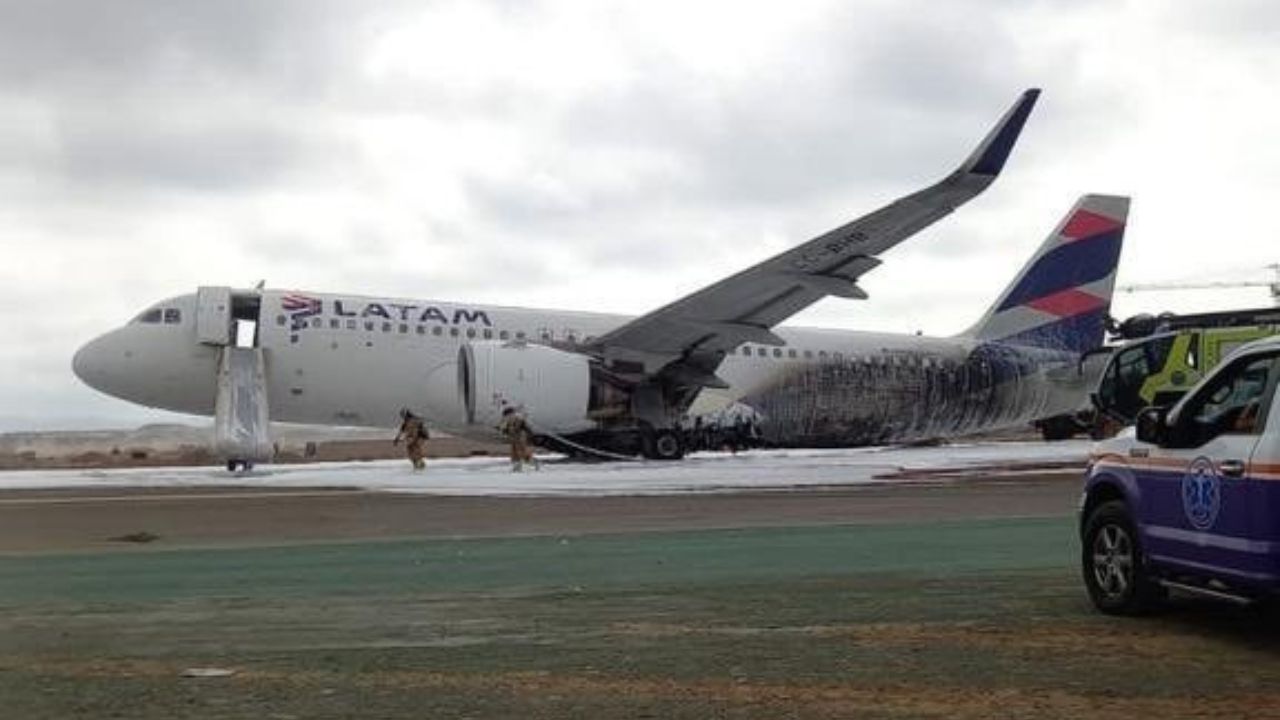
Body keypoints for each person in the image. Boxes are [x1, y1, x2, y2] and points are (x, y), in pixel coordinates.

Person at [497, 406, 539, 472]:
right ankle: (517, 465)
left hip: (521, 437)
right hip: (514, 438)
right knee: (514, 452)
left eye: (506, 415)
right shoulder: (509, 420)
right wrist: (504, 430)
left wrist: (530, 435)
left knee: (521, 451)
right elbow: (507, 429)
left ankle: (532, 462)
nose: (506, 417)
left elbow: (526, 427)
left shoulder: (519, 419)